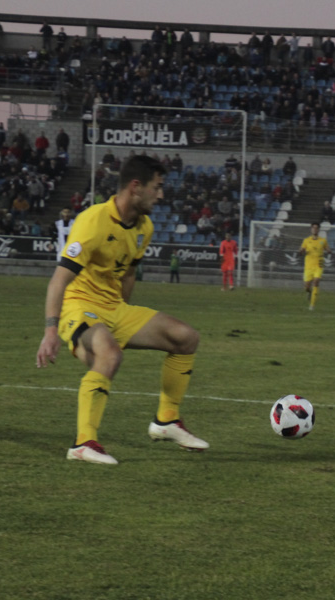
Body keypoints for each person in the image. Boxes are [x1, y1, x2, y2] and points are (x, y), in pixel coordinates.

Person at [35, 155, 209, 466]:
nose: (161, 194)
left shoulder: (145, 227)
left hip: (114, 308)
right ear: (135, 187)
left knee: (186, 337)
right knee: (110, 354)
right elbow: (58, 281)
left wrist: (124, 316)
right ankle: (83, 443)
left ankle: (166, 421)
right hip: (79, 306)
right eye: (157, 187)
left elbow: (128, 273)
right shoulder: (92, 221)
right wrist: (50, 330)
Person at [298, 222, 331, 311]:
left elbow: (328, 249)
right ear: (311, 229)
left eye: (316, 228)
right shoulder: (306, 240)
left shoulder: (323, 240)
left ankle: (312, 305)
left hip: (318, 265)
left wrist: (329, 251)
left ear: (319, 230)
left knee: (316, 282)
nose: (315, 229)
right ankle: (309, 292)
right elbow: (301, 250)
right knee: (307, 286)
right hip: (308, 266)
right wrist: (301, 252)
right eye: (313, 228)